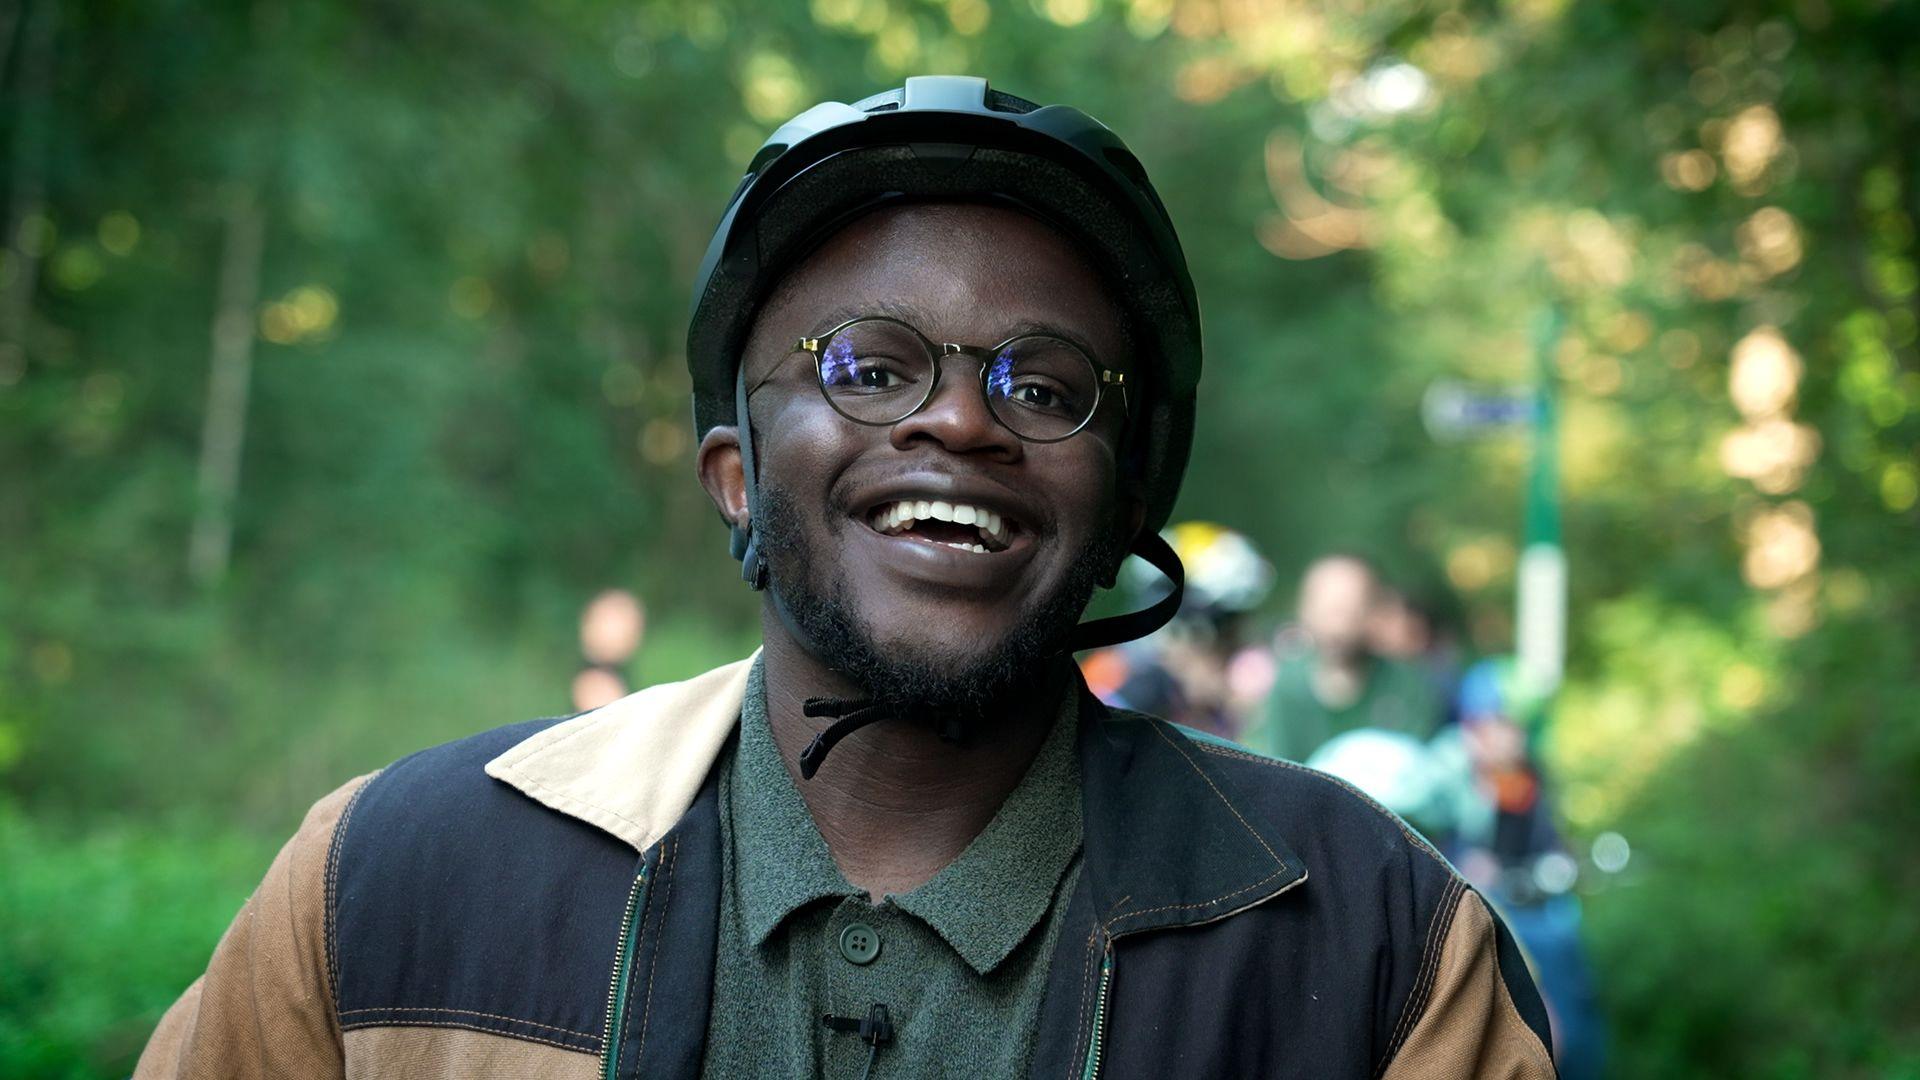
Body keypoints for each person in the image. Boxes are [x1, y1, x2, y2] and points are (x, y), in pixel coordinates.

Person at [134, 77, 1554, 1079]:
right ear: (737, 476)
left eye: (1046, 385)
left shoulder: (1378, 943)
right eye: (870, 368)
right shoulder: (389, 883)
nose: (961, 420)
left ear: (1125, 504)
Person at [1257, 553, 1446, 763]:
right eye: (1326, 607)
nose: (1336, 624)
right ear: (1303, 609)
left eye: (1348, 608)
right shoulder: (1287, 688)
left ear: (1374, 612)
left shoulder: (1407, 684)